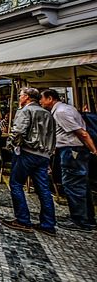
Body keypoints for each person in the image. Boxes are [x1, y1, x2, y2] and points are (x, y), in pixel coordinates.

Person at [2, 87, 57, 235]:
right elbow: (53, 135)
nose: (19, 98)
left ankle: (23, 220)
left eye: (20, 95)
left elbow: (18, 131)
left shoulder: (26, 111)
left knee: (16, 183)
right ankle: (48, 224)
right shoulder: (47, 113)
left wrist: (11, 145)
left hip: (27, 152)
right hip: (44, 155)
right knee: (43, 189)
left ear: (26, 97)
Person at [40, 89, 97, 231]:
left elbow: (82, 133)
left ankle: (80, 221)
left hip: (72, 151)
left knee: (73, 184)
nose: (40, 102)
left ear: (50, 98)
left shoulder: (60, 112)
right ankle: (87, 218)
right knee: (81, 184)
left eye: (42, 99)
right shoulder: (66, 108)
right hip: (74, 151)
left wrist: (93, 149)